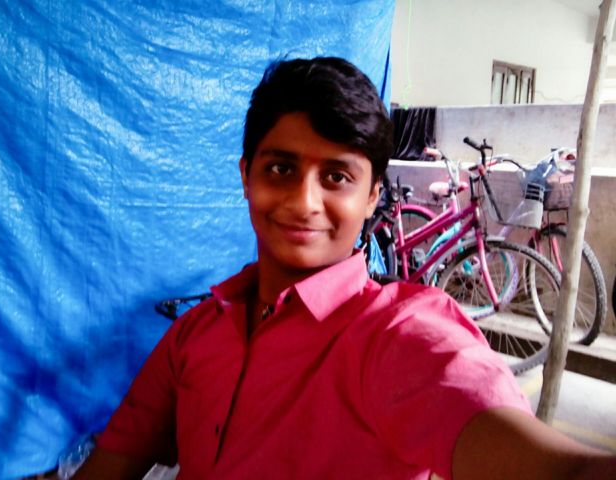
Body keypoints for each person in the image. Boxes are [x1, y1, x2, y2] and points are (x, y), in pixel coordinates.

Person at [73, 57, 616, 480]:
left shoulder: (399, 337)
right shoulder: (197, 332)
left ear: (373, 195)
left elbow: (550, 465)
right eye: (280, 168)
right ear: (246, 176)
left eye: (336, 177)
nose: (303, 202)